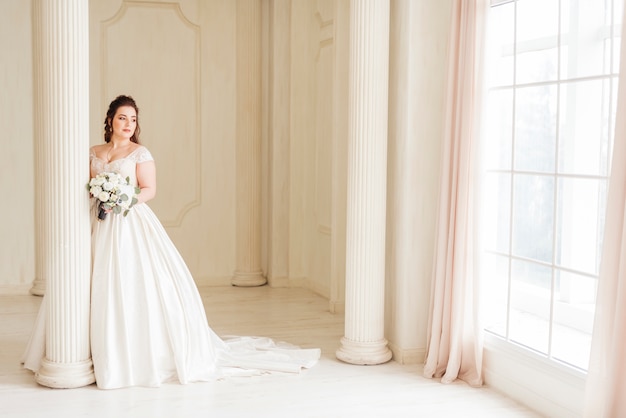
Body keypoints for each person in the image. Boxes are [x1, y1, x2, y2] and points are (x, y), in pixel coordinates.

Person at [22, 95, 320, 389]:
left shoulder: (140, 153)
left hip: (127, 220)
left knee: (126, 283)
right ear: (110, 120)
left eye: (133, 119)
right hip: (94, 222)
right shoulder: (93, 152)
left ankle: (126, 355)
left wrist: (122, 198)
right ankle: (79, 351)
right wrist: (97, 194)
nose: (128, 124)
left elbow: (149, 189)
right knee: (84, 281)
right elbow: (86, 187)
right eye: (122, 117)